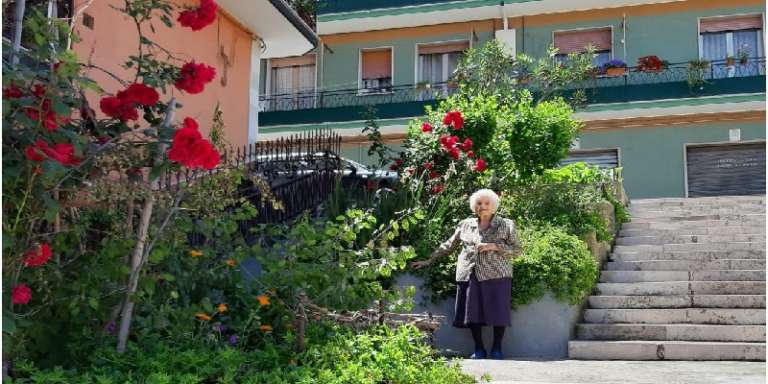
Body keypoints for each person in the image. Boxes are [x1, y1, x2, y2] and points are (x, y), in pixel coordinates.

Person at [411, 189, 521, 359]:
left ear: (494, 206)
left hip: (497, 273)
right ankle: (479, 349)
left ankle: (497, 349)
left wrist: (495, 246)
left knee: (498, 311)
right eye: (479, 203)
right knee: (472, 312)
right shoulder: (465, 224)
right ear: (473, 206)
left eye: (486, 203)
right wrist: (429, 260)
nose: (482, 206)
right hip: (469, 272)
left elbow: (517, 250)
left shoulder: (506, 224)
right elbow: (449, 245)